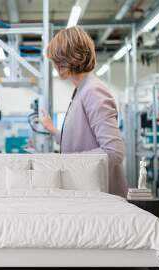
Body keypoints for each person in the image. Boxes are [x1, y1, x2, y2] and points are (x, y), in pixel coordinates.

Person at [42, 26, 128, 197]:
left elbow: (113, 151)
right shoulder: (82, 90)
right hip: (89, 192)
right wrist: (53, 130)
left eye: (55, 60)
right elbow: (83, 139)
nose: (54, 65)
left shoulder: (93, 91)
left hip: (101, 196)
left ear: (65, 59)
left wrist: (67, 163)